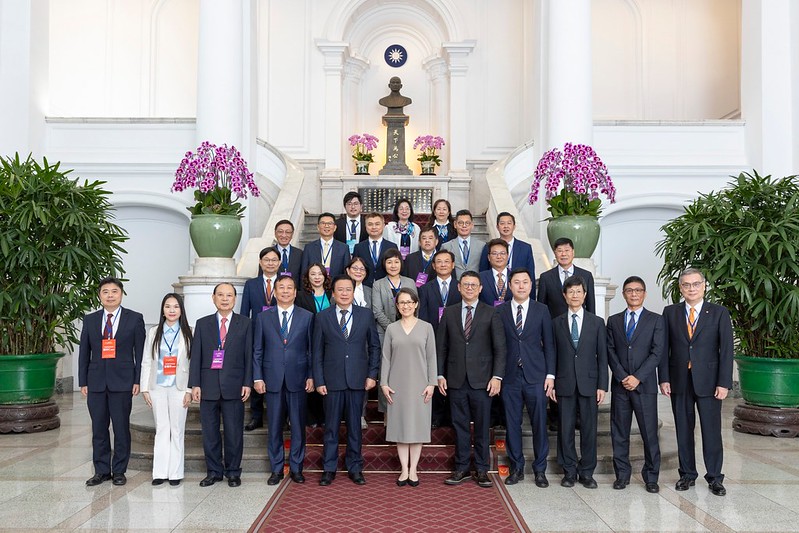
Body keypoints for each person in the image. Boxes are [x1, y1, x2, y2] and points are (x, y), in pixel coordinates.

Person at [659, 267, 733, 497]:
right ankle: (687, 474)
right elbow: (664, 349)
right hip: (679, 380)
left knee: (711, 431)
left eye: (696, 284)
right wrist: (664, 378)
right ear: (680, 288)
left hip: (710, 382)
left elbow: (726, 350)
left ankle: (715, 477)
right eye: (686, 285)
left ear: (704, 286)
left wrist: (724, 382)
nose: (691, 288)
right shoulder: (670, 312)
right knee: (683, 428)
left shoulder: (719, 313)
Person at [437, 271, 506, 488]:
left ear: (480, 288)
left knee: (483, 426)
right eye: (465, 284)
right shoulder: (449, 312)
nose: (469, 288)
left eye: (473, 285)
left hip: (483, 381)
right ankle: (462, 468)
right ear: (458, 287)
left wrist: (497, 376)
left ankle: (482, 469)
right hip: (456, 379)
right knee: (460, 426)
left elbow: (500, 348)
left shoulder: (491, 313)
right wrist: (440, 374)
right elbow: (442, 347)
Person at [313, 275, 381, 486]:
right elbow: (316, 352)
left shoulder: (365, 315)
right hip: (331, 381)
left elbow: (374, 347)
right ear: (333, 294)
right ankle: (329, 468)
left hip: (358, 380)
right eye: (340, 290)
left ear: (353, 292)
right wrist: (319, 380)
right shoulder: (322, 317)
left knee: (354, 428)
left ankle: (355, 467)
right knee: (331, 428)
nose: (344, 293)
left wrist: (372, 375)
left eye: (348, 289)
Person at [79, 277, 146, 487]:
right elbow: (84, 353)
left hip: (123, 382)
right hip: (96, 382)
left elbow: (140, 353)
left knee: (121, 428)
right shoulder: (90, 320)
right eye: (105, 292)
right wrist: (83, 381)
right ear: (99, 296)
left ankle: (119, 471)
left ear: (121, 294)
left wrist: (138, 380)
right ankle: (101, 471)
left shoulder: (134, 318)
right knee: (98, 428)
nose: (110, 295)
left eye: (114, 291)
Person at [189, 283, 252, 488]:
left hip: (235, 385)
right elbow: (196, 356)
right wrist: (195, 384)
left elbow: (249, 355)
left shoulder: (245, 323)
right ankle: (214, 471)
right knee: (210, 432)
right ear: (213, 298)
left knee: (234, 432)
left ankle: (233, 472)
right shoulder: (202, 323)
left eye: (229, 295)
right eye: (221, 295)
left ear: (235, 299)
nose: (225, 299)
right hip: (208, 386)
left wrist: (247, 382)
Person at [253, 275, 314, 485]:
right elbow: (257, 350)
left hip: (298, 378)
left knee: (298, 426)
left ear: (295, 292)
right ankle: (276, 469)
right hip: (272, 379)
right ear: (275, 292)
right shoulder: (263, 318)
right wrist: (257, 377)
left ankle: (296, 468)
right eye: (281, 288)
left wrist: (311, 375)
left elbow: (311, 350)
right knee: (274, 427)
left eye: (289, 288)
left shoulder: (307, 317)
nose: (285, 291)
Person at [607, 276, 664, 493]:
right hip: (621, 386)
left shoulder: (656, 320)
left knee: (649, 433)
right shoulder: (613, 321)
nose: (634, 294)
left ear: (644, 294)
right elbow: (610, 351)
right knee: (619, 432)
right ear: (623, 294)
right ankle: (622, 475)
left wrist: (637, 377)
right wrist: (623, 376)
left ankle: (651, 477)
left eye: (638, 290)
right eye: (629, 290)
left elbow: (657, 353)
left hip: (644, 386)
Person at [499, 269, 555, 488]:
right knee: (512, 423)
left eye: (525, 282)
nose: (521, 286)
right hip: (510, 377)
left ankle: (540, 470)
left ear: (531, 285)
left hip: (536, 376)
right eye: (516, 282)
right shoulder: (501, 311)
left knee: (539, 423)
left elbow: (549, 344)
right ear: (510, 286)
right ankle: (516, 468)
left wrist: (550, 375)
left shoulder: (542, 310)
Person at [551, 276, 608, 489]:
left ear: (585, 295)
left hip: (589, 384)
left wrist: (602, 385)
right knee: (565, 429)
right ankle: (569, 471)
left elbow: (602, 356)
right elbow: (552, 355)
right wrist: (552, 381)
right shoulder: (555, 323)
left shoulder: (597, 322)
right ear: (564, 296)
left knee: (589, 430)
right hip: (564, 383)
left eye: (578, 291)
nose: (574, 295)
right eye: (570, 292)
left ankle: (587, 472)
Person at [381, 288, 437, 487]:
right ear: (397, 306)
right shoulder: (391, 329)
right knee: (400, 427)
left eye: (409, 302)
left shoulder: (426, 327)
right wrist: (384, 383)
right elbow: (386, 358)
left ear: (416, 304)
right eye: (402, 302)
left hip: (420, 385)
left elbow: (431, 357)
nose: (405, 306)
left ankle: (414, 469)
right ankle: (404, 469)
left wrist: (432, 383)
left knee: (417, 427)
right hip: (396, 385)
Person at [141, 293, 193, 486]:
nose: (172, 310)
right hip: (157, 386)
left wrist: (189, 390)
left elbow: (193, 363)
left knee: (177, 429)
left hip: (180, 387)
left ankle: (175, 473)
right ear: (163, 310)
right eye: (168, 306)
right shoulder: (154, 332)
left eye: (176, 307)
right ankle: (160, 472)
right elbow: (147, 360)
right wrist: (145, 388)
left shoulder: (189, 332)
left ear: (181, 310)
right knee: (161, 428)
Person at [418, 250, 461, 428]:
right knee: (434, 376)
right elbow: (423, 316)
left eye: (446, 261)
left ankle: (452, 415)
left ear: (453, 265)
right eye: (439, 262)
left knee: (454, 377)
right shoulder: (425, 289)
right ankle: (435, 416)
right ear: (434, 266)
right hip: (434, 339)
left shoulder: (461, 287)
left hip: (457, 340)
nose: (443, 265)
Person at [240, 246, 281, 432]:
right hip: (257, 333)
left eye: (274, 260)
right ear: (260, 262)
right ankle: (256, 416)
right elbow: (244, 312)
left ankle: (281, 417)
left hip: (280, 335)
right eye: (267, 260)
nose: (270, 263)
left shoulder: (285, 283)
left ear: (279, 263)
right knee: (256, 371)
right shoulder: (251, 284)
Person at [294, 263, 331, 427]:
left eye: (320, 274)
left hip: (329, 341)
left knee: (325, 377)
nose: (317, 277)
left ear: (325, 276)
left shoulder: (332, 294)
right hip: (308, 339)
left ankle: (325, 416)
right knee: (310, 377)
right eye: (313, 274)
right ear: (307, 277)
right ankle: (311, 417)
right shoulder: (301, 296)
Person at [537, 237, 595, 317]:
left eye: (567, 250)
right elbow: (541, 307)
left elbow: (591, 306)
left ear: (573, 252)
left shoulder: (586, 276)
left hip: (580, 323)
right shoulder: (545, 277)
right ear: (555, 253)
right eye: (560, 251)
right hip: (554, 323)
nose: (563, 254)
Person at [479, 212, 536, 289]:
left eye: (509, 223)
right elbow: (483, 270)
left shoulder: (525, 248)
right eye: (502, 223)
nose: (506, 226)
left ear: (514, 226)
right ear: (497, 227)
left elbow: (531, 274)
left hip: (519, 289)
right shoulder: (489, 246)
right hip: (495, 288)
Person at [372, 248, 417, 343]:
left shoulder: (410, 282)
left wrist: (408, 327)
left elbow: (415, 307)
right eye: (389, 262)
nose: (393, 266)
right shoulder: (378, 285)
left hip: (409, 331)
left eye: (396, 262)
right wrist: (393, 329)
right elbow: (377, 311)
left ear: (401, 263)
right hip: (385, 333)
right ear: (384, 264)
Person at [353, 211, 398, 287]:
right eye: (370, 224)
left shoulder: (392, 247)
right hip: (364, 286)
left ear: (383, 226)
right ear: (365, 226)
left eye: (377, 224)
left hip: (386, 286)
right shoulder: (358, 247)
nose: (374, 227)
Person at [301, 212, 351, 279]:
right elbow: (304, 272)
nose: (326, 226)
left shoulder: (344, 248)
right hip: (315, 284)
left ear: (335, 227)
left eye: (330, 223)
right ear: (318, 227)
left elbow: (346, 272)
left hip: (335, 284)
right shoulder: (309, 248)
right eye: (323, 223)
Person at [441, 209, 486, 279]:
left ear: (472, 225)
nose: (464, 226)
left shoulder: (482, 246)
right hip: (455, 283)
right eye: (460, 223)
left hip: (475, 283)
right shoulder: (446, 246)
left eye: (467, 223)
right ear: (455, 224)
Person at [479, 238, 513, 307]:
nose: (499, 257)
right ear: (489, 257)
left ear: (507, 256)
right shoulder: (480, 277)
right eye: (495, 253)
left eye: (502, 253)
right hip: (487, 313)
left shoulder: (515, 276)